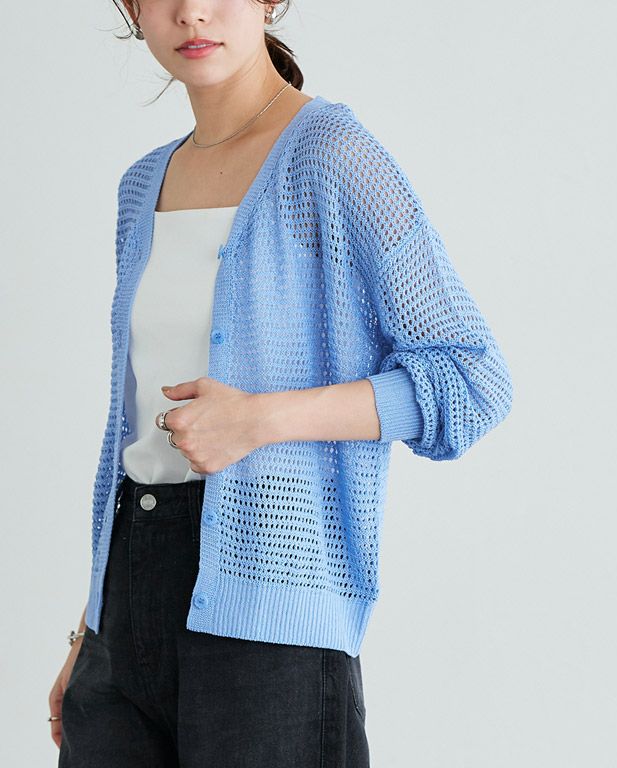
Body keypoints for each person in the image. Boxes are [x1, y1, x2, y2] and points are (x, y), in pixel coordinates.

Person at [49, 1, 513, 766]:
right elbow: (134, 437)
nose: (191, 12)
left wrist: (260, 420)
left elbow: (470, 378)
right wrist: (90, 628)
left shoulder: (332, 157)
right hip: (120, 616)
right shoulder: (141, 186)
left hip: (270, 614)